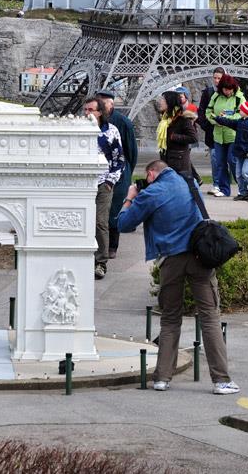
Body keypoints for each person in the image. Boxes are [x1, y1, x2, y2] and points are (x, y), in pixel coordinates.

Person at [117, 160, 239, 395]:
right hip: (199, 258)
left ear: (151, 174)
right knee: (210, 317)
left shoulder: (151, 193)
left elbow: (123, 223)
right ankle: (221, 381)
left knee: (170, 319)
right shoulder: (189, 182)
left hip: (170, 261)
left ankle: (162, 378)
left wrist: (131, 196)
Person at [83, 98, 124, 280]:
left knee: (100, 221)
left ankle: (101, 261)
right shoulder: (80, 129)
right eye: (85, 110)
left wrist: (110, 181)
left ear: (100, 112)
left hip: (102, 183)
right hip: (82, 184)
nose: (87, 113)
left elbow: (119, 159)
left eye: (90, 109)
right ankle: (84, 257)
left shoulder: (111, 131)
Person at [95, 90, 137, 261]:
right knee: (102, 213)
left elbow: (130, 151)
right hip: (100, 173)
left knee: (113, 211)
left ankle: (113, 246)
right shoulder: (97, 122)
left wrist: (126, 171)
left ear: (111, 104)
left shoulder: (122, 123)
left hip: (116, 172)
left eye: (103, 104)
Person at [205, 73, 245, 197]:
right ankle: (224, 189)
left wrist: (226, 119)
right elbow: (208, 111)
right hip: (218, 135)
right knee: (220, 163)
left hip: (232, 135)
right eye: (225, 89)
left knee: (232, 161)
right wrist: (215, 120)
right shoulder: (216, 96)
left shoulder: (239, 97)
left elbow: (241, 114)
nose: (227, 91)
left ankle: (242, 188)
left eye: (229, 89)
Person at [216, 100, 248, 200]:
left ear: (247, 111)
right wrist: (219, 119)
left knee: (246, 172)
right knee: (238, 175)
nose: (239, 111)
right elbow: (229, 122)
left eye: (241, 109)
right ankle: (243, 192)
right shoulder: (240, 122)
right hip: (239, 152)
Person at [156, 91, 197, 177]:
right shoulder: (165, 119)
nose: (160, 102)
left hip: (179, 164)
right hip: (167, 160)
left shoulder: (182, 119)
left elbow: (193, 138)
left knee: (185, 188)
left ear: (170, 102)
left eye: (163, 99)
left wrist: (174, 137)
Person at [197, 67, 223, 194]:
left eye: (219, 78)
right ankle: (217, 184)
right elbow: (201, 111)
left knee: (229, 160)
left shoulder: (230, 93)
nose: (217, 80)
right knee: (214, 158)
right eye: (215, 78)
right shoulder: (208, 92)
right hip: (213, 131)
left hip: (227, 131)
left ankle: (226, 184)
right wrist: (206, 125)